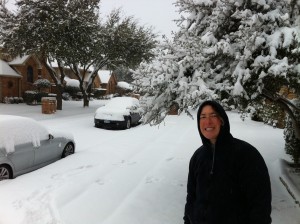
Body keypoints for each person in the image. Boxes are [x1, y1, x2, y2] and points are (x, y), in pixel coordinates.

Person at [183, 100, 272, 224]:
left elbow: (260, 205)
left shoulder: (246, 154)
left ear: (222, 120)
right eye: (203, 117)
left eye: (213, 115)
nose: (207, 121)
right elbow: (191, 197)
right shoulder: (198, 156)